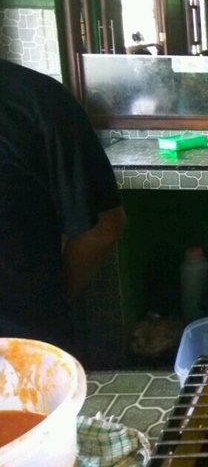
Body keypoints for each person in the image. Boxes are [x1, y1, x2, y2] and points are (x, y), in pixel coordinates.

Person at [0, 59, 126, 356]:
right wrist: (49, 300)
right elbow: (103, 228)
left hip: (27, 346)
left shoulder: (36, 99)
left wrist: (49, 299)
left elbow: (102, 227)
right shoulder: (35, 98)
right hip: (30, 333)